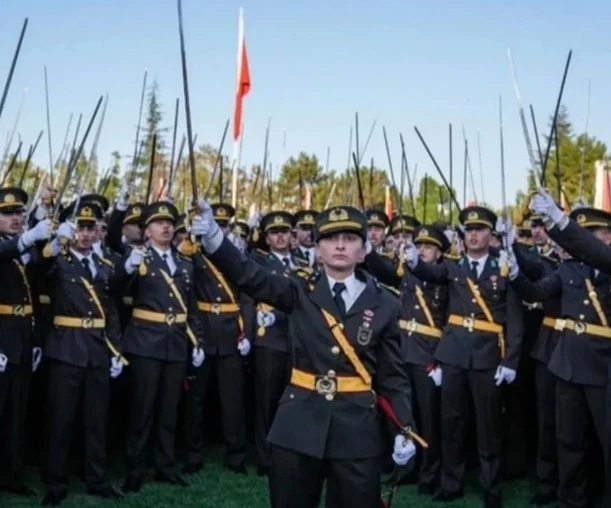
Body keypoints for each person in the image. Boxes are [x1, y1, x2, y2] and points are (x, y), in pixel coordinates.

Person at [191, 201, 417, 508]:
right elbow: (249, 275)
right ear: (318, 249)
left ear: (364, 251)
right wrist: (215, 239)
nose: (340, 245)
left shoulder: (386, 304)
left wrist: (405, 427)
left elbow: (393, 377)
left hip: (357, 430)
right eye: (330, 238)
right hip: (298, 425)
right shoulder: (298, 289)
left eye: (350, 239)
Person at [404, 206, 523, 508]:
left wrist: (510, 361)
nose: (473, 235)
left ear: (490, 234)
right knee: (451, 423)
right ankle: (450, 482)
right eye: (468, 230)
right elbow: (429, 271)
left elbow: (514, 320)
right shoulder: (454, 267)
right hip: (453, 354)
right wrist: (413, 260)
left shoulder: (504, 267)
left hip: (486, 357)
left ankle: (491, 487)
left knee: (488, 427)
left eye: (479, 229)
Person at [528, 189, 611, 508]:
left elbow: (596, 253)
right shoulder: (572, 268)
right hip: (570, 361)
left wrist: (561, 220)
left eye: (593, 234)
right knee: (569, 439)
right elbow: (536, 288)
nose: (584, 240)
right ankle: (571, 498)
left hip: (603, 364)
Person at [39, 200, 124, 505]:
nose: (86, 234)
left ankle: (97, 479)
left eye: (91, 228)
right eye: (80, 228)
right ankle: (56, 481)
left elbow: (110, 311)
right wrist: (53, 240)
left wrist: (116, 350)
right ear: (71, 230)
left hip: (97, 350)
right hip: (66, 348)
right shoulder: (58, 261)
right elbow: (39, 268)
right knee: (61, 419)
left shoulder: (104, 267)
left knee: (96, 419)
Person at [118, 201, 205, 493]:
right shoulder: (137, 259)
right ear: (147, 230)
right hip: (145, 341)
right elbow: (114, 289)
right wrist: (128, 267)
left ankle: (165, 466)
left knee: (169, 410)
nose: (166, 227)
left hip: (176, 343)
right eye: (158, 223)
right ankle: (135, 468)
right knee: (142, 409)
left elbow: (191, 306)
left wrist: (197, 340)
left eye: (169, 222)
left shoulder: (184, 262)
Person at [366, 224, 450, 495]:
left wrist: (440, 359)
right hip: (403, 350)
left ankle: (430, 472)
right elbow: (386, 273)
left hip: (428, 353)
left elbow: (452, 321)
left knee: (428, 418)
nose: (422, 250)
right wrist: (368, 251)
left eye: (428, 247)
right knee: (404, 415)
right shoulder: (408, 273)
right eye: (420, 245)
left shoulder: (446, 278)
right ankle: (406, 467)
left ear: (439, 253)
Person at [0, 188, 52, 497]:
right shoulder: (12, 247)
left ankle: (10, 475)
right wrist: (29, 238)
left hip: (20, 339)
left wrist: (51, 242)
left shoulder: (24, 250)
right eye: (7, 214)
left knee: (15, 414)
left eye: (19, 213)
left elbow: (35, 294)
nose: (15, 218)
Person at [250, 211, 300, 476]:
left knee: (292, 402)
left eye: (284, 232)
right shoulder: (259, 261)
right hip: (269, 338)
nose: (280, 236)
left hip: (295, 339)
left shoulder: (302, 261)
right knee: (266, 402)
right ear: (266, 237)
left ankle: (287, 453)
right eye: (274, 232)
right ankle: (264, 457)